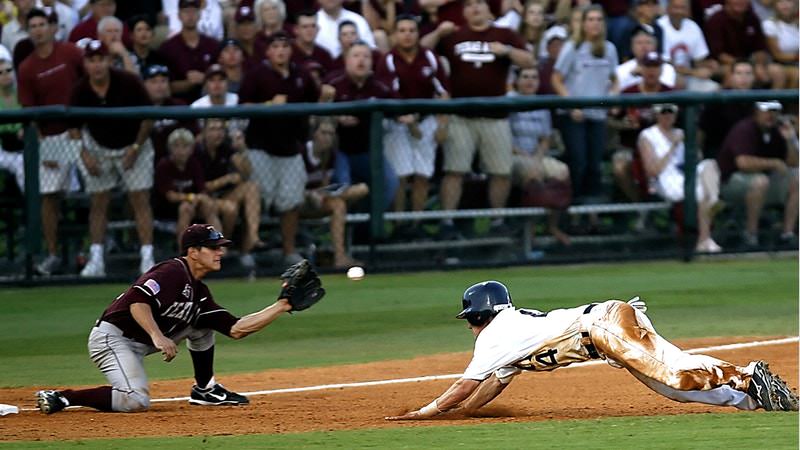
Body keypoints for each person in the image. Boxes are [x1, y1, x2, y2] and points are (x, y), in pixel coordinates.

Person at [386, 280, 799, 421]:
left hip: (602, 326)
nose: (472, 327)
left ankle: (747, 376)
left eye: (473, 319)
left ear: (485, 315)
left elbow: (466, 383)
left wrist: (428, 413)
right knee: (674, 386)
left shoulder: (500, 331)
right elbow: (493, 382)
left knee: (675, 371)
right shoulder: (510, 336)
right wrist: (471, 412)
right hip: (605, 332)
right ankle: (753, 399)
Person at [34, 223, 316, 414]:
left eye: (220, 246)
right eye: (213, 247)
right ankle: (65, 397)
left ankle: (205, 389)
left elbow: (237, 328)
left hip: (139, 341)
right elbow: (137, 302)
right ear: (193, 252)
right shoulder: (172, 271)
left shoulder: (200, 292)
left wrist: (282, 305)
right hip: (112, 338)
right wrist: (158, 335)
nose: (220, 251)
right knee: (135, 401)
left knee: (201, 324)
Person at [425, 0, 533, 237]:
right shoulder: (454, 35)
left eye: (480, 4)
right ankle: (447, 222)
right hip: (460, 116)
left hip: (495, 116)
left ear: (489, 9)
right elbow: (421, 50)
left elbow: (529, 61)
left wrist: (507, 51)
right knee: (454, 171)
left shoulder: (505, 34)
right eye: (470, 4)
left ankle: (497, 221)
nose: (475, 8)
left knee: (501, 171)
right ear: (464, 11)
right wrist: (437, 33)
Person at [239, 30, 328, 265]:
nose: (281, 51)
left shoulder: (302, 75)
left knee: (291, 202)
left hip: (291, 148)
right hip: (260, 148)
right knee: (258, 200)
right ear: (268, 51)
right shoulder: (256, 74)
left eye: (285, 46)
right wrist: (268, 105)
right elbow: (242, 106)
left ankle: (289, 251)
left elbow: (314, 102)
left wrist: (325, 99)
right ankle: (248, 250)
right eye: (276, 46)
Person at [69, 40, 155, 277]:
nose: (96, 65)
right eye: (91, 60)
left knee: (140, 199)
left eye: (100, 59)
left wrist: (136, 149)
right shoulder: (80, 89)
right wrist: (84, 154)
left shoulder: (128, 82)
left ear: (109, 60)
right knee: (98, 202)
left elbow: (149, 117)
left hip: (134, 144)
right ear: (85, 63)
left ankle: (147, 258)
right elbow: (73, 127)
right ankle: (96, 259)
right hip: (98, 147)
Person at [17, 8, 84, 276]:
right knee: (48, 197)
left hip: (78, 133)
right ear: (28, 29)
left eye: (42, 24)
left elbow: (87, 83)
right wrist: (44, 147)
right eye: (32, 25)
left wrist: (79, 128)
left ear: (52, 27)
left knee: (90, 195)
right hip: (49, 138)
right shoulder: (27, 67)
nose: (38, 29)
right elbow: (30, 113)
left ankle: (91, 250)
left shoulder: (70, 53)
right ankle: (53, 252)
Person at [375, 15, 448, 220]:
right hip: (397, 123)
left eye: (411, 30)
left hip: (426, 120)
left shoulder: (430, 57)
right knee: (402, 175)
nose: (407, 35)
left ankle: (416, 221)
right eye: (402, 31)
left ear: (418, 34)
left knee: (423, 175)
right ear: (395, 35)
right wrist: (408, 119)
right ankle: (399, 221)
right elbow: (390, 94)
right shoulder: (387, 60)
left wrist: (443, 124)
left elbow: (443, 92)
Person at [552, 5, 618, 205]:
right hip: (574, 114)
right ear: (583, 23)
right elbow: (556, 78)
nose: (595, 23)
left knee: (594, 164)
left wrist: (612, 98)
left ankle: (591, 213)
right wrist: (572, 105)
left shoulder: (609, 49)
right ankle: (572, 206)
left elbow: (614, 79)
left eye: (599, 19)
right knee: (578, 161)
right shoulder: (572, 47)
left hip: (597, 111)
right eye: (590, 19)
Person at [638, 104, 722, 253]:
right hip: (665, 180)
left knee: (710, 164)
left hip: (686, 173)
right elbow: (652, 171)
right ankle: (704, 240)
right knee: (702, 193)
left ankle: (714, 201)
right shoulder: (648, 135)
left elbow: (697, 159)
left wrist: (692, 148)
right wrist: (673, 145)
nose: (667, 116)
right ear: (656, 115)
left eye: (671, 113)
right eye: (663, 113)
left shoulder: (681, 133)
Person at [716, 101, 798, 248]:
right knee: (760, 181)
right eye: (766, 111)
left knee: (796, 180)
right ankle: (750, 236)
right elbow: (743, 163)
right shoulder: (744, 128)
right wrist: (774, 163)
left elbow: (793, 163)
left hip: (765, 182)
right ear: (756, 111)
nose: (770, 115)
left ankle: (787, 234)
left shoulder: (778, 130)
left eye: (774, 111)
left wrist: (790, 140)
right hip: (730, 183)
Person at [508, 67, 571, 246]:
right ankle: (530, 230)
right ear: (517, 80)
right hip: (512, 155)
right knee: (532, 174)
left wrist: (537, 157)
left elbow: (545, 138)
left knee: (561, 171)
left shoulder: (541, 104)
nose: (530, 81)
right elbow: (503, 138)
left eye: (534, 77)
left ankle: (553, 225)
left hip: (536, 155)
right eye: (525, 77)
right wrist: (525, 157)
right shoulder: (508, 101)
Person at [195, 119, 264, 269]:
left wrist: (242, 151)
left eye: (220, 129)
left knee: (252, 187)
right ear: (204, 132)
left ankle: (253, 236)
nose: (217, 133)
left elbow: (246, 174)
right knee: (230, 209)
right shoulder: (197, 151)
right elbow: (202, 187)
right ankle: (221, 245)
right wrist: (226, 179)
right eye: (213, 129)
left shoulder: (226, 148)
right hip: (202, 199)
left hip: (224, 195)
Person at [302, 118, 368, 268]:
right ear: (314, 134)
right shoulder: (302, 152)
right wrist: (311, 195)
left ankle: (340, 258)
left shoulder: (331, 155)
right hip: (299, 202)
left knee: (340, 203)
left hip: (319, 200)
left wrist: (321, 194)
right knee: (347, 195)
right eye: (323, 133)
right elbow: (293, 189)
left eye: (331, 134)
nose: (327, 137)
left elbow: (324, 186)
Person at [154, 128, 222, 242]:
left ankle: (218, 245)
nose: (181, 151)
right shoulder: (164, 165)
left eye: (185, 146)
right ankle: (184, 253)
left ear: (191, 149)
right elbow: (171, 196)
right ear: (170, 148)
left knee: (207, 204)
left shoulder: (194, 163)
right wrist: (190, 197)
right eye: (176, 146)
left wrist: (199, 199)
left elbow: (202, 190)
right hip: (167, 210)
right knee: (185, 208)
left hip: (193, 205)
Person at [158, 0, 220, 103]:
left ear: (200, 15)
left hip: (210, 104)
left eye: (194, 11)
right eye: (186, 11)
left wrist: (205, 78)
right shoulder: (167, 48)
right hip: (179, 106)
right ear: (179, 15)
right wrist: (188, 83)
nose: (190, 15)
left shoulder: (212, 45)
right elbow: (164, 86)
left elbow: (223, 78)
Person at [655, 0, 719, 92]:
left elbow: (698, 61)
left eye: (683, 8)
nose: (679, 12)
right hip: (664, 75)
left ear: (688, 11)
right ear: (667, 9)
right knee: (678, 81)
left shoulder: (693, 27)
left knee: (714, 88)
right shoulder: (659, 26)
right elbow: (667, 64)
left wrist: (708, 66)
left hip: (689, 76)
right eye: (676, 7)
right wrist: (694, 72)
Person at [615, 26, 676, 91]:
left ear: (655, 45)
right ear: (631, 46)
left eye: (648, 42)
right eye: (639, 43)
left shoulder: (668, 69)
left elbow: (667, 91)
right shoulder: (620, 71)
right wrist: (630, 75)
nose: (644, 47)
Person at [761, 0, 798, 88]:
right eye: (780, 2)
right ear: (774, 5)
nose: (785, 4)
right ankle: (785, 101)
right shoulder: (770, 24)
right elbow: (777, 55)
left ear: (795, 4)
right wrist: (797, 57)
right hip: (776, 63)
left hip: (795, 63)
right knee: (797, 75)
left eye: (788, 1)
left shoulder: (797, 24)